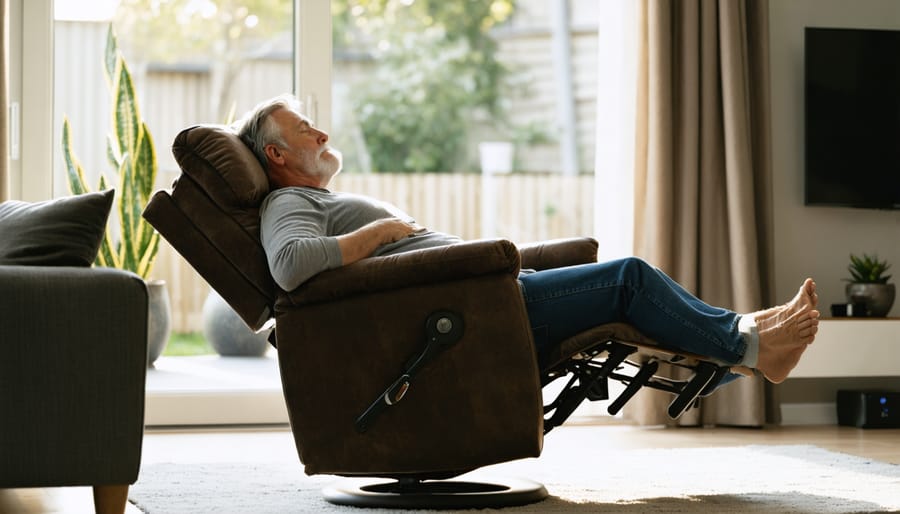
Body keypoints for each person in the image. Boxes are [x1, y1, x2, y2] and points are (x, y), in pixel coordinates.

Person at [236, 94, 820, 385]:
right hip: (473, 314)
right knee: (629, 277)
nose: (322, 131)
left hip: (486, 298)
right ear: (277, 155)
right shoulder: (289, 201)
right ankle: (751, 349)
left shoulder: (316, 201)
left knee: (629, 279)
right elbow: (290, 267)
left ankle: (745, 332)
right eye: (303, 128)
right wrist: (383, 231)